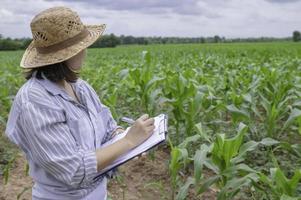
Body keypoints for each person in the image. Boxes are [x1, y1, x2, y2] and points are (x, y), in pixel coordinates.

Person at [4, 6, 155, 200]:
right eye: (80, 47)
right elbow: (73, 169)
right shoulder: (35, 100)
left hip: (98, 192)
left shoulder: (80, 87)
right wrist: (128, 141)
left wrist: (128, 138)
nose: (84, 52)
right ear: (64, 56)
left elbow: (107, 128)